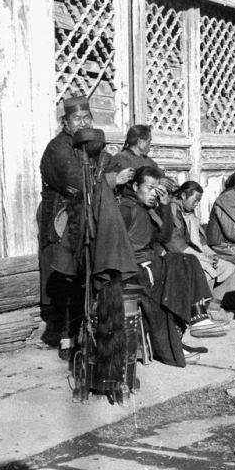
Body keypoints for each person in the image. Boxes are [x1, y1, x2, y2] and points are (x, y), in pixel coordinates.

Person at [116, 165, 208, 366]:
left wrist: (165, 205)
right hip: (134, 270)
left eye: (156, 189)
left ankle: (198, 318)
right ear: (134, 186)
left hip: (149, 263)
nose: (152, 194)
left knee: (188, 261)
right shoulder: (125, 209)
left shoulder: (146, 209)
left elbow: (163, 236)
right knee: (171, 282)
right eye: (149, 188)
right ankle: (173, 347)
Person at [37, 96, 96, 352]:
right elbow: (74, 181)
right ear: (66, 122)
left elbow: (106, 166)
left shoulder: (89, 145)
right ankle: (65, 338)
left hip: (83, 218)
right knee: (64, 279)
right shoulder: (57, 148)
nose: (82, 123)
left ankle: (82, 332)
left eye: (86, 118)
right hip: (60, 221)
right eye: (77, 119)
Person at [174, 179, 235, 318]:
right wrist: (202, 257)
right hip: (181, 255)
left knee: (231, 268)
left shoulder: (191, 213)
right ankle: (200, 312)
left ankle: (214, 307)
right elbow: (176, 243)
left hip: (196, 254)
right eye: (195, 200)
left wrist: (211, 254)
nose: (197, 204)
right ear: (183, 196)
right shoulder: (173, 210)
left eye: (199, 201)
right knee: (209, 270)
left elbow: (201, 241)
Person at [105, 124, 163, 190]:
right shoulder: (121, 158)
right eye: (149, 141)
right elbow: (109, 184)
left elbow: (160, 175)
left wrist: (163, 181)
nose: (150, 145)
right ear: (140, 142)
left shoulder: (148, 161)